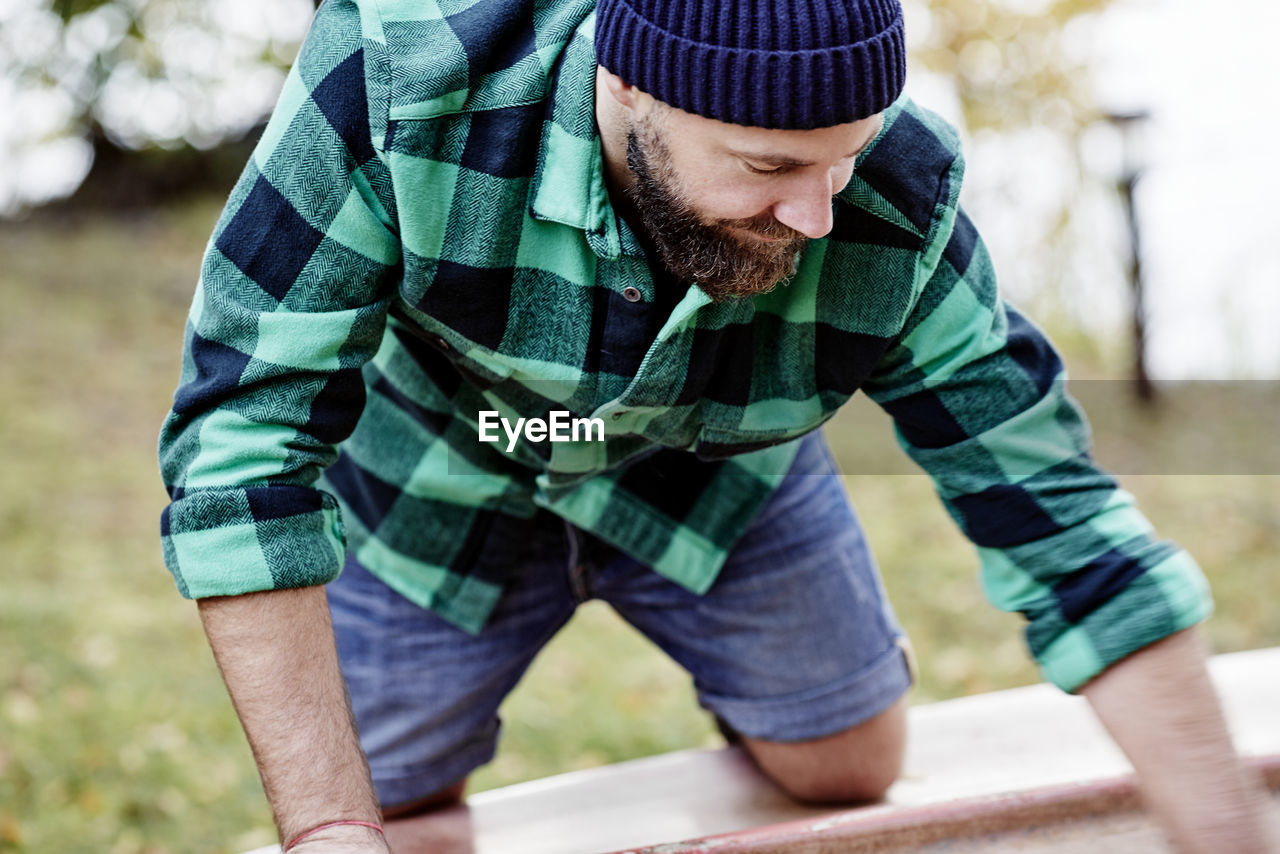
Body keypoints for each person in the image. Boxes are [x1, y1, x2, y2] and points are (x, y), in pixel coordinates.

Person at [157, 0, 1273, 851]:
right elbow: (240, 441)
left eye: (843, 156)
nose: (816, 213)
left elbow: (1063, 528)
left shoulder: (891, 196)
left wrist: (1227, 835)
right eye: (769, 166)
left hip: (711, 471)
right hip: (443, 469)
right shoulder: (397, 81)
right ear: (628, 84)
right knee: (386, 798)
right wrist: (335, 833)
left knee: (847, 763)